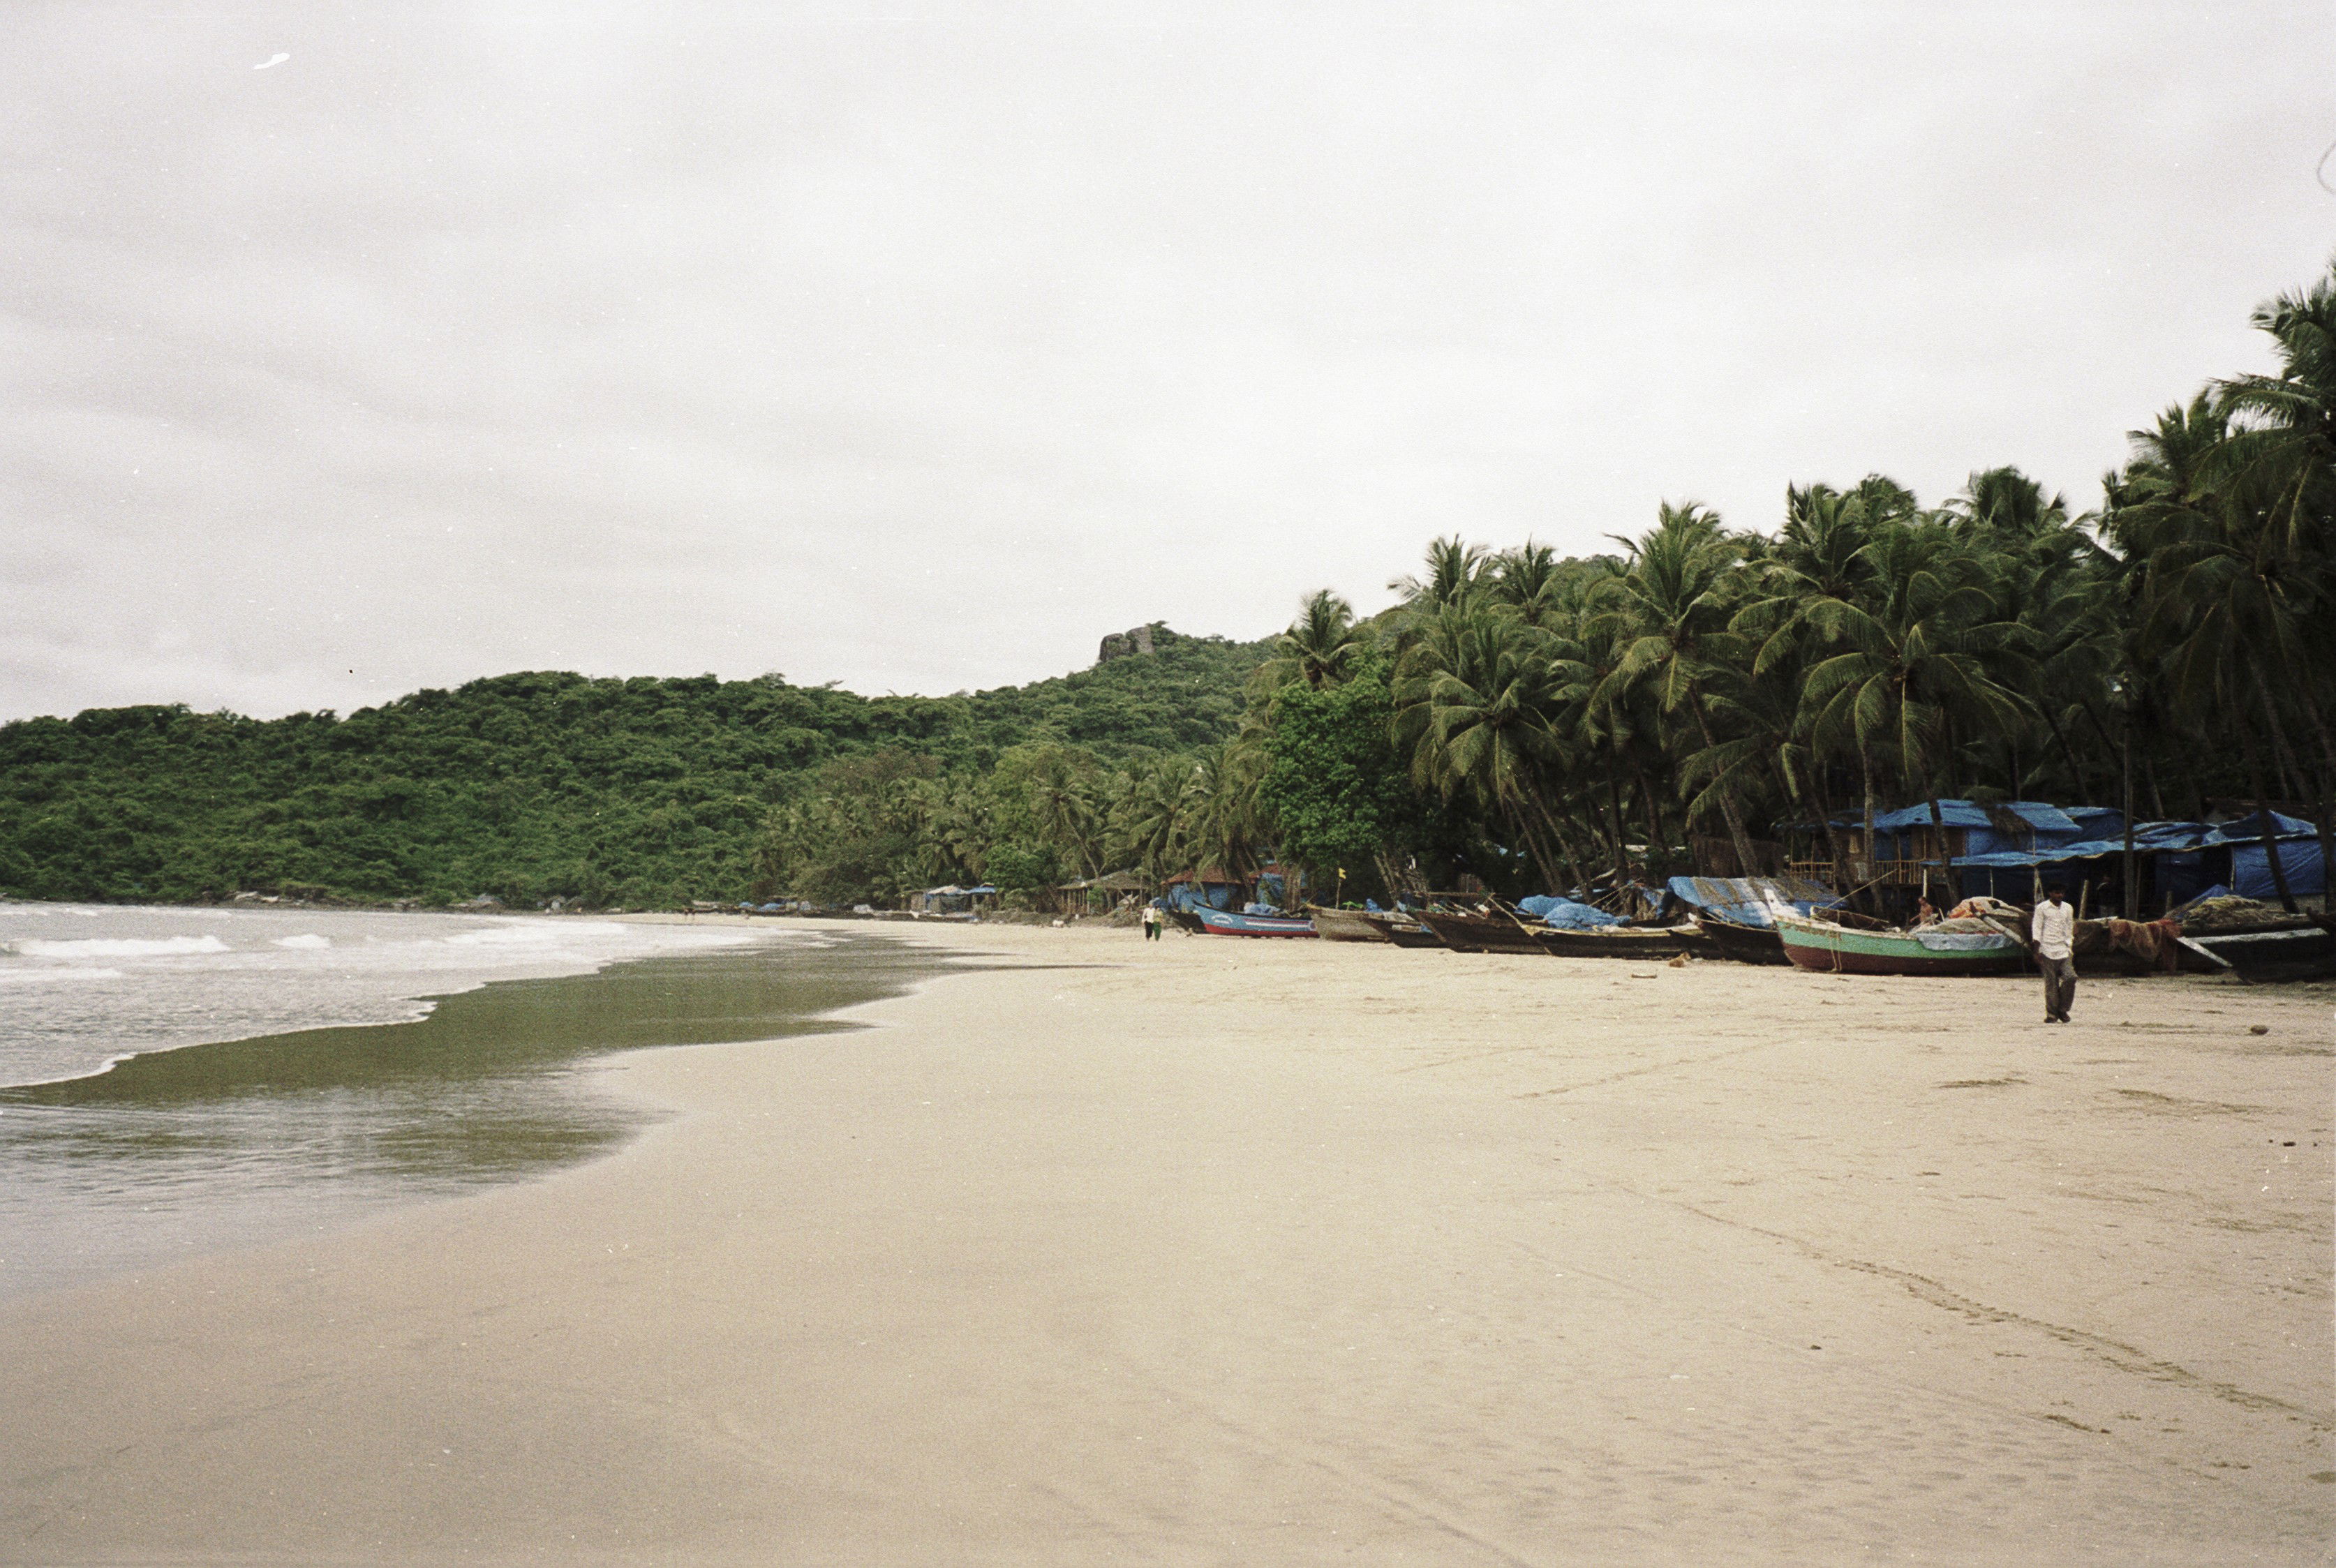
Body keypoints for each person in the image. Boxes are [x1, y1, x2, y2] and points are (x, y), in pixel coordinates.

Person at [2030, 883, 2077, 1023]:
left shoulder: (2068, 908)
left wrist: (2070, 946)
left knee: (2071, 977)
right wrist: (2036, 951)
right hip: (2046, 949)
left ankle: (2063, 1009)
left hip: (2063, 949)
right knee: (2051, 984)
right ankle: (2052, 1014)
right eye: (2057, 893)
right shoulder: (2042, 908)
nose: (2060, 896)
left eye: (2062, 893)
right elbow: (2037, 928)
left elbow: (2069, 927)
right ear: (2050, 893)